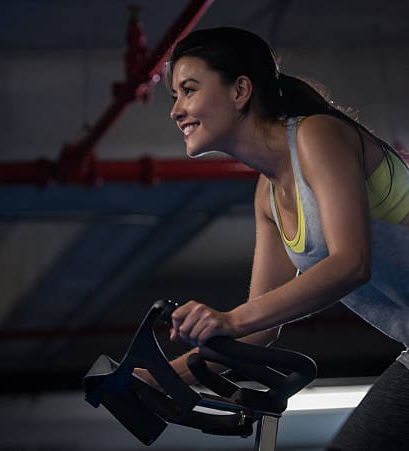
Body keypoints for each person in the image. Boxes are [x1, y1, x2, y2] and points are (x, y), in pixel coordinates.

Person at [155, 27, 408, 450]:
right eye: (175, 96)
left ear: (239, 91)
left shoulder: (317, 136)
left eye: (188, 90)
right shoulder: (267, 196)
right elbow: (259, 332)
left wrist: (232, 319)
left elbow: (351, 262)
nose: (175, 110)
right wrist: (160, 376)